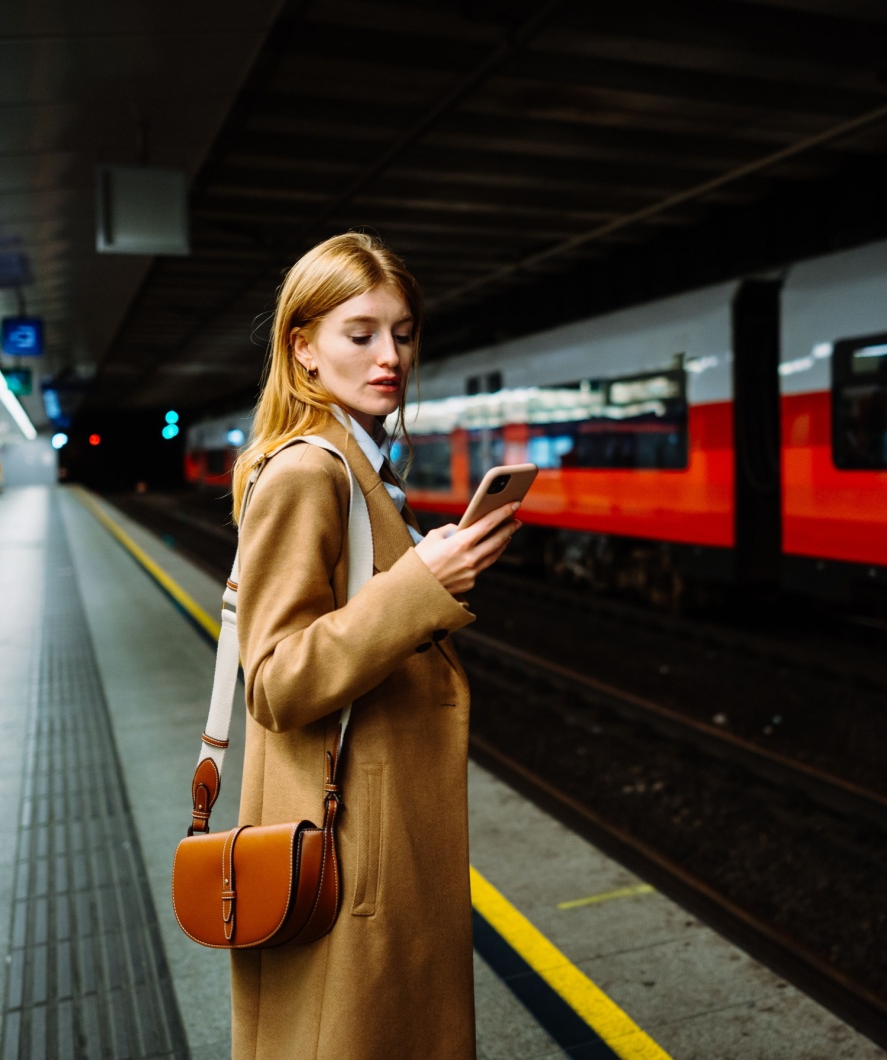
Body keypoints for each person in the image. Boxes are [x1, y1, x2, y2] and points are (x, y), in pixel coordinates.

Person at [229, 232, 520, 1060]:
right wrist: (420, 587)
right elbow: (276, 680)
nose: (389, 355)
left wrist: (422, 577)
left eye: (403, 332)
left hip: (370, 820)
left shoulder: (361, 465)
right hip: (350, 832)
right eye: (360, 333)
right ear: (304, 348)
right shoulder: (308, 473)